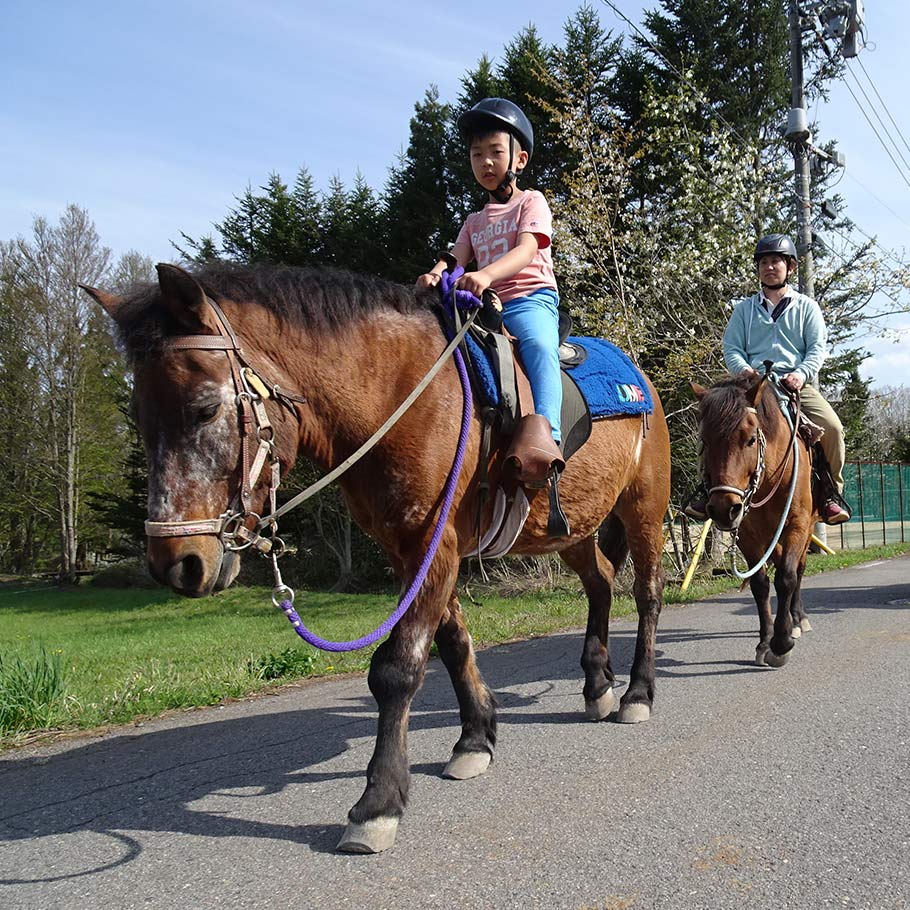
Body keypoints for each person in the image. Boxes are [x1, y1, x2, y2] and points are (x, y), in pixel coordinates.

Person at [416, 97, 563, 461]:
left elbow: (527, 250)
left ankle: (549, 434)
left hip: (530, 299)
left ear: (520, 159)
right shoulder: (473, 220)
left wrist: (485, 274)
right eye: (476, 154)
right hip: (486, 306)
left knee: (540, 347)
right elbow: (455, 258)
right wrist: (436, 275)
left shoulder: (532, 202)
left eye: (495, 152)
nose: (485, 162)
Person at [687, 233, 850, 524]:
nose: (769, 266)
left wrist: (800, 374)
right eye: (764, 261)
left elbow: (816, 349)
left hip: (792, 386)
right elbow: (732, 347)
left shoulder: (806, 308)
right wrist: (744, 371)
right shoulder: (744, 310)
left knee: (834, 428)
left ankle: (830, 494)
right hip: (751, 387)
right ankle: (705, 488)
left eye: (776, 260)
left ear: (790, 267)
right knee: (713, 425)